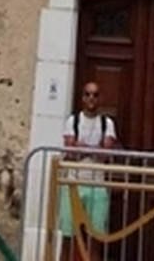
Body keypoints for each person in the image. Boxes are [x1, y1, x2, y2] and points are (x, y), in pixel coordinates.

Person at [64, 78, 120, 242]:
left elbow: (105, 154)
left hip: (97, 184)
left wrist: (82, 148)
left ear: (100, 98)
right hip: (73, 183)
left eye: (95, 95)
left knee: (96, 238)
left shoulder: (107, 123)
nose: (91, 98)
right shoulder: (73, 121)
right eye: (87, 94)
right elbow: (70, 152)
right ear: (82, 97)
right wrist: (94, 149)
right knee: (68, 237)